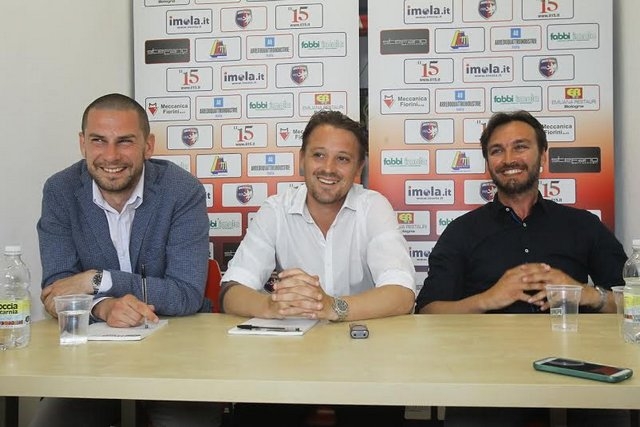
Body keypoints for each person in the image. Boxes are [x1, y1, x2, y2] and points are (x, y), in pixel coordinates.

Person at [415, 110, 628, 427]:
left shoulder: (584, 225)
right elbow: (427, 313)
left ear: (543, 155)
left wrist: (583, 294)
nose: (508, 159)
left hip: (580, 371)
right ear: (488, 163)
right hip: (488, 376)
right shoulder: (461, 232)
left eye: (520, 147)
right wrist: (489, 299)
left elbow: (632, 304)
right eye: (496, 150)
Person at [32, 93, 220, 427]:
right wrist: (104, 308)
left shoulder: (182, 191)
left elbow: (186, 294)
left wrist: (99, 279)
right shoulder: (60, 190)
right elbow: (56, 292)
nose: (111, 156)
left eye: (125, 141)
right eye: (98, 141)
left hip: (176, 354)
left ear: (148, 146)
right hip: (90, 362)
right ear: (82, 144)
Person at [221, 110, 416, 426]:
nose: (328, 168)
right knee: (257, 413)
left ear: (359, 168)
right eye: (319, 155)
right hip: (288, 357)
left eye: (343, 159)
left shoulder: (373, 207)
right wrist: (272, 306)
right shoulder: (275, 209)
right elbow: (231, 292)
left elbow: (402, 295)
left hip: (366, 356)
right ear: (302, 160)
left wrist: (331, 306)